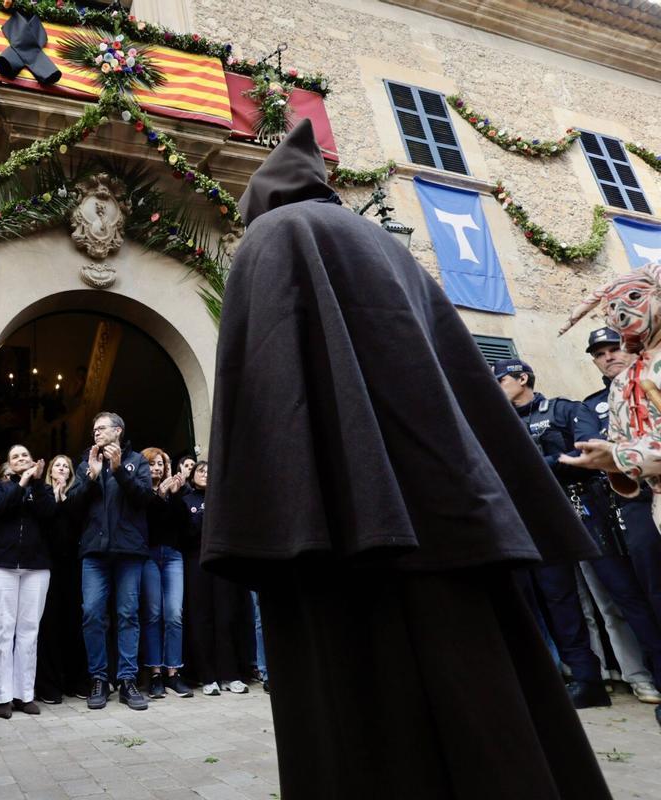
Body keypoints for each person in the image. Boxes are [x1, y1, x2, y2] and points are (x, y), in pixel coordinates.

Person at [202, 119, 611, 798]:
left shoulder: (275, 238)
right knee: (495, 721)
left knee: (366, 734)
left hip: (342, 540)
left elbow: (274, 393)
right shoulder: (389, 250)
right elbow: (465, 387)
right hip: (454, 524)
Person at [496, 357, 661, 708]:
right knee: (560, 601)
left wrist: (537, 467)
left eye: (500, 380)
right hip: (537, 520)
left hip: (584, 510)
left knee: (624, 593)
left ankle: (656, 674)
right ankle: (587, 681)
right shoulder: (501, 425)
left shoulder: (563, 410)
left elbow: (588, 450)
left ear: (522, 378)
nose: (495, 389)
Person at [581, 326, 661, 702]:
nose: (609, 356)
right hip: (622, 509)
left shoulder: (652, 385)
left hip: (651, 498)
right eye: (600, 353)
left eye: (615, 348)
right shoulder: (589, 406)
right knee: (638, 599)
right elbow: (589, 454)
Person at [67, 411, 153, 711]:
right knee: (91, 613)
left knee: (128, 614)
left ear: (118, 431)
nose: (96, 433)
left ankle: (127, 681)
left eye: (101, 428)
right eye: (94, 430)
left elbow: (145, 499)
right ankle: (99, 679)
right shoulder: (86, 463)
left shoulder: (138, 461)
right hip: (94, 552)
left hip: (129, 551)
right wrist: (90, 477)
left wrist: (119, 470)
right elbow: (72, 506)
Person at [0, 445, 56, 718]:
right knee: (2, 630)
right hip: (1, 566)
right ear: (8, 465)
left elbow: (48, 513)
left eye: (25, 455)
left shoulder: (42, 489)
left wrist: (35, 484)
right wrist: (21, 483)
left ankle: (24, 694)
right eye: (15, 457)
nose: (22, 459)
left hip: (36, 568)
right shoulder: (0, 487)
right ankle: (0, 696)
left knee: (28, 631)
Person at [180, 462, 252, 696]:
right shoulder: (186, 500)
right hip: (196, 562)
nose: (205, 474)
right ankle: (208, 677)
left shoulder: (222, 499)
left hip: (221, 563)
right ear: (192, 476)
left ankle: (230, 675)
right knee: (202, 618)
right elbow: (186, 533)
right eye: (201, 470)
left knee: (226, 617)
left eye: (210, 471)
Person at [139, 447, 193, 699]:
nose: (157, 469)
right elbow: (147, 521)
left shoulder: (174, 493)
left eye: (160, 464)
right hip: (148, 555)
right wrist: (159, 496)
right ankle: (156, 674)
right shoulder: (139, 492)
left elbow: (184, 526)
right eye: (152, 464)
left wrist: (175, 493)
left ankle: (174, 673)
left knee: (174, 614)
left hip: (172, 556)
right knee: (153, 613)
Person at [35, 455, 88, 702]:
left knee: (73, 623)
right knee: (49, 625)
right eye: (58, 465)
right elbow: (44, 521)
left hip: (72, 567)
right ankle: (49, 685)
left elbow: (79, 523)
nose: (62, 469)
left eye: (66, 466)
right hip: (47, 566)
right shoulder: (42, 493)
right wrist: (54, 497)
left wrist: (64, 499)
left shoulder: (77, 496)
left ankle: (75, 681)